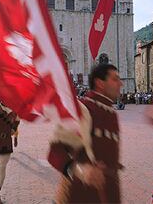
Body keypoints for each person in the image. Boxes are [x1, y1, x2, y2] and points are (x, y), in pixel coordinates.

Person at [48, 63, 123, 203]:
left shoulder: (112, 113)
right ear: (100, 83)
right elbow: (55, 152)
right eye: (115, 79)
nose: (121, 83)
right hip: (80, 194)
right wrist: (80, 170)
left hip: (107, 194)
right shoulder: (82, 109)